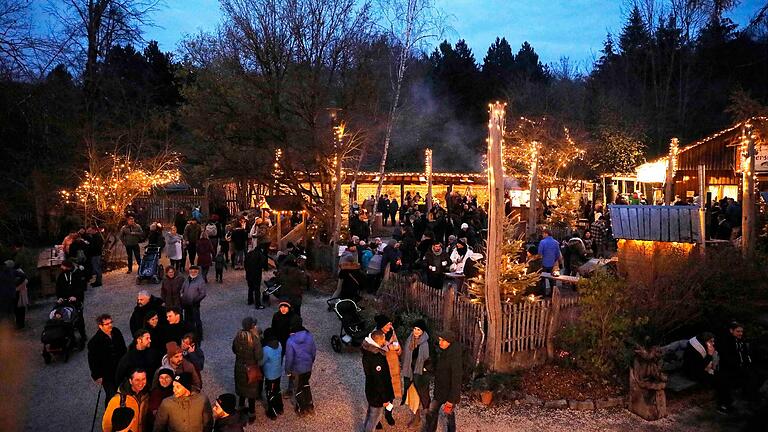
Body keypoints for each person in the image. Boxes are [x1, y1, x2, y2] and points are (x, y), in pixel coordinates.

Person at [421, 330, 462, 432]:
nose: (440, 342)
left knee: (449, 416)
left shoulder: (455, 357)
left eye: (443, 340)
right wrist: (428, 369)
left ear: (449, 342)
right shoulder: (443, 352)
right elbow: (440, 369)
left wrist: (451, 400)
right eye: (440, 340)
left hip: (449, 394)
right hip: (439, 391)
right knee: (432, 411)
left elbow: (456, 380)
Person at [682, 332, 731, 413]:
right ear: (704, 341)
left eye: (713, 341)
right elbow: (701, 367)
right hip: (693, 373)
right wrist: (709, 355)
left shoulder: (702, 346)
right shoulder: (694, 350)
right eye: (711, 341)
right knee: (720, 380)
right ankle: (723, 405)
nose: (713, 343)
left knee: (723, 377)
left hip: (701, 370)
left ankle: (726, 403)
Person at [88, 314, 128, 405]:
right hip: (107, 374)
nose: (110, 325)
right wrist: (97, 375)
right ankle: (109, 414)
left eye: (111, 322)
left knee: (124, 392)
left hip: (120, 369)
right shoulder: (94, 342)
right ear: (100, 326)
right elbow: (92, 361)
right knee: (112, 396)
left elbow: (123, 348)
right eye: (107, 324)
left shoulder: (116, 332)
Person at [361, 329, 395, 432]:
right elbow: (379, 381)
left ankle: (364, 428)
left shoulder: (368, 351)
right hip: (377, 395)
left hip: (370, 390)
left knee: (370, 413)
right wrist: (385, 399)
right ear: (379, 340)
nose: (385, 340)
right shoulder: (377, 358)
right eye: (384, 338)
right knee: (374, 418)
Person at [232, 317, 263, 423]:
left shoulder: (238, 336)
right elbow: (259, 356)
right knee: (251, 392)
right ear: (252, 326)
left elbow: (234, 350)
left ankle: (240, 408)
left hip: (239, 366)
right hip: (251, 368)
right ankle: (251, 414)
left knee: (241, 389)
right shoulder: (254, 339)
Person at [401, 320, 431, 427]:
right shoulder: (409, 339)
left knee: (423, 396)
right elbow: (405, 356)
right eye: (414, 329)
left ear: (422, 331)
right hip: (410, 373)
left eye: (418, 329)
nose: (416, 331)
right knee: (413, 397)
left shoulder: (426, 343)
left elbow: (430, 360)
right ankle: (416, 417)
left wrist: (425, 369)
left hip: (420, 374)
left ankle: (429, 418)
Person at [718, 322, 757, 404]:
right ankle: (726, 403)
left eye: (741, 331)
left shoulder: (740, 340)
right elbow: (727, 359)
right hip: (728, 368)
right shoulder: (726, 342)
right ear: (731, 331)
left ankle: (749, 394)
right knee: (746, 376)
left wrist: (747, 363)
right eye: (738, 331)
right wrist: (740, 366)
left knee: (756, 374)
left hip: (740, 366)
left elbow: (745, 354)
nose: (740, 333)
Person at [373, 314, 401, 426]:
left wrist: (398, 349)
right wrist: (388, 348)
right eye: (388, 324)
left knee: (391, 393)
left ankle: (388, 414)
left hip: (392, 366)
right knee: (380, 392)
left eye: (390, 323)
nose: (390, 325)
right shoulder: (374, 335)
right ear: (381, 325)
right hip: (380, 368)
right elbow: (373, 351)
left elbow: (398, 347)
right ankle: (377, 418)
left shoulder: (391, 332)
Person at [284, 318, 317, 415]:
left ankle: (301, 409)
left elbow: (289, 359)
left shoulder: (290, 341)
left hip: (297, 369)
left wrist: (288, 371)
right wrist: (311, 362)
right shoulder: (309, 336)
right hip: (308, 367)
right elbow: (313, 352)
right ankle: (310, 405)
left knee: (298, 388)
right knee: (306, 384)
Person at [55, 260, 88, 346]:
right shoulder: (62, 276)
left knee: (79, 317)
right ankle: (69, 336)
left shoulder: (77, 274)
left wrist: (76, 296)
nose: (61, 268)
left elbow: (82, 287)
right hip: (65, 300)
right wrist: (59, 298)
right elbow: (58, 288)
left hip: (76, 299)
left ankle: (83, 334)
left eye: (63, 266)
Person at [262, 328, 284, 420]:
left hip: (270, 375)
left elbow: (262, 362)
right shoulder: (279, 345)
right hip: (278, 372)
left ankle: (272, 412)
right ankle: (280, 408)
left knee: (270, 393)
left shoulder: (266, 349)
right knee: (277, 390)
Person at [181, 265, 207, 341]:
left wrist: (195, 300)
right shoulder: (187, 279)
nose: (193, 273)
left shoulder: (200, 281)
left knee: (196, 320)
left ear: (197, 272)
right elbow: (182, 288)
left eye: (195, 271)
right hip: (186, 303)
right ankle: (188, 334)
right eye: (191, 271)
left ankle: (199, 335)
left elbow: (203, 294)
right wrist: (181, 294)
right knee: (187, 319)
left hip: (194, 304)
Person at [538, 229, 563, 296]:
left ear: (546, 234)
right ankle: (552, 293)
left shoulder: (542, 242)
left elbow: (540, 253)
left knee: (542, 279)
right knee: (552, 280)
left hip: (543, 263)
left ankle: (542, 294)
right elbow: (558, 254)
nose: (542, 235)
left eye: (543, 234)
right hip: (553, 263)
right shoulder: (556, 242)